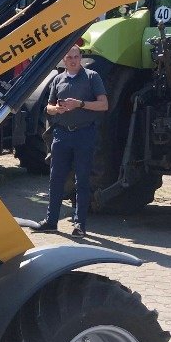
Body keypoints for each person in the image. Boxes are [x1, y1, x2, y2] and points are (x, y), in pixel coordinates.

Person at [35, 46, 108, 237]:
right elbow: (48, 107)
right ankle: (51, 222)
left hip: (84, 134)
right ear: (64, 60)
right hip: (61, 135)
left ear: (81, 58)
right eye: (69, 58)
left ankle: (79, 225)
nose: (73, 60)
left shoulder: (92, 77)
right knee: (56, 179)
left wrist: (80, 104)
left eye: (76, 57)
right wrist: (56, 110)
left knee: (82, 180)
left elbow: (104, 104)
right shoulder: (58, 79)